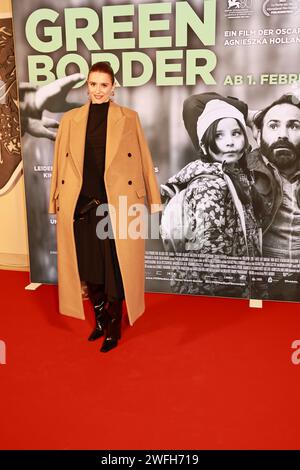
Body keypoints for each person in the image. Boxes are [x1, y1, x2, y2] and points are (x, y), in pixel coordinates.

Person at [49, 62, 161, 352]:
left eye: (103, 85)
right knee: (89, 269)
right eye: (92, 84)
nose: (97, 90)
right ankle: (99, 318)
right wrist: (55, 201)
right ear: (87, 86)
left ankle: (113, 325)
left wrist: (154, 200)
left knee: (116, 268)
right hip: (83, 205)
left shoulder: (128, 118)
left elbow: (144, 160)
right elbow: (59, 162)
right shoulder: (70, 120)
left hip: (119, 206)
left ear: (114, 88)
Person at [160, 96, 261, 296]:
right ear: (205, 146)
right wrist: (228, 298)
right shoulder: (210, 185)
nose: (230, 142)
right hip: (223, 296)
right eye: (219, 136)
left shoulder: (235, 175)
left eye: (236, 133)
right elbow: (211, 253)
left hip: (235, 287)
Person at [248, 94, 300, 260]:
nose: (283, 135)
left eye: (293, 126)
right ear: (259, 134)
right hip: (264, 282)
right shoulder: (244, 169)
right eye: (273, 126)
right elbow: (194, 106)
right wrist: (253, 116)